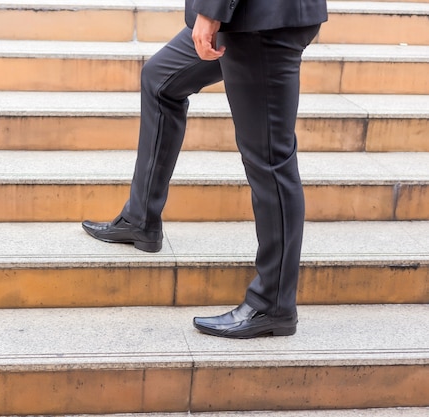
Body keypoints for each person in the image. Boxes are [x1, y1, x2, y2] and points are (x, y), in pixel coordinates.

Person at [82, 0, 328, 339]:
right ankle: (140, 220)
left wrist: (211, 11)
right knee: (160, 79)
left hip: (260, 22)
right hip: (244, 16)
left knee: (270, 160)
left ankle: (273, 303)